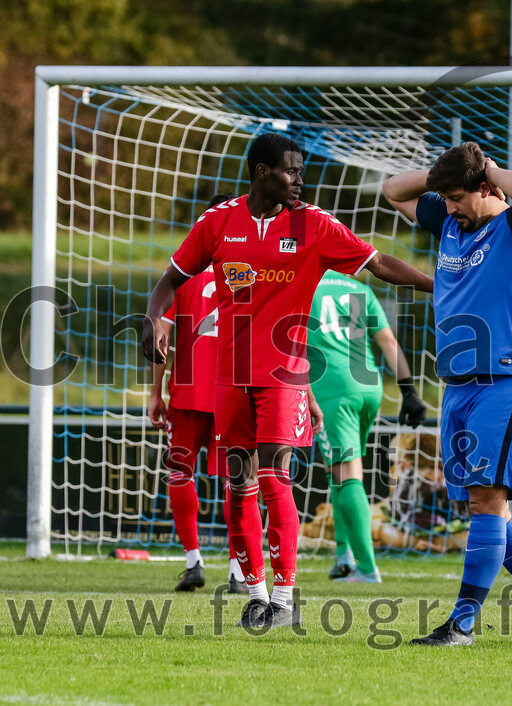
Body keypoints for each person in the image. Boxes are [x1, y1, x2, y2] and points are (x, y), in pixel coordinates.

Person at [142, 133, 433, 630]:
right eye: (291, 170)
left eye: (301, 170)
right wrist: (154, 319)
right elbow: (169, 279)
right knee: (239, 484)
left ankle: (285, 596)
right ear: (261, 172)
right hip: (229, 378)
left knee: (276, 479)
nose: (300, 179)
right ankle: (255, 592)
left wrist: (443, 283)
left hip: (284, 376)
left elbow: (380, 264)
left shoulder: (314, 223)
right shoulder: (218, 221)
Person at [382, 142, 512, 647]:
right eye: (445, 199)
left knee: (484, 500)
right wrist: (447, 175)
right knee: (489, 510)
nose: (448, 208)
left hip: (507, 378)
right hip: (458, 385)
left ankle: (463, 623)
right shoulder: (452, 220)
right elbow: (392, 189)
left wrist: (490, 169)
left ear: (487, 189)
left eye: (457, 197)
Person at [149, 193, 247, 594]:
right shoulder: (246, 271)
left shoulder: (182, 274)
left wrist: (155, 393)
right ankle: (240, 573)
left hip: (188, 393)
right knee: (237, 482)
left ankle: (193, 563)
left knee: (179, 473)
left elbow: (160, 337)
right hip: (235, 393)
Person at [307, 271, 427, 583]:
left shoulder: (303, 282)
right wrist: (409, 392)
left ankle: (366, 567)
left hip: (333, 388)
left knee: (345, 474)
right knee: (341, 470)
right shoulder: (357, 288)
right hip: (368, 385)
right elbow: (387, 340)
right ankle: (344, 554)